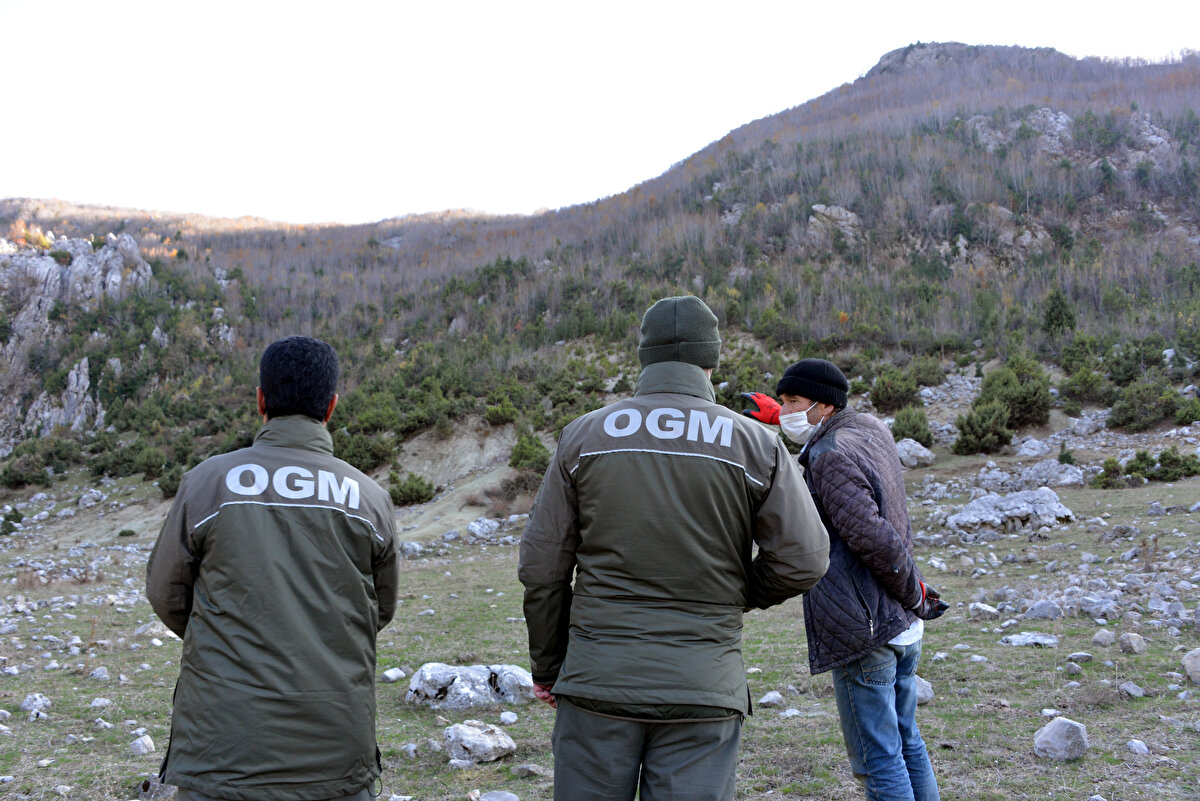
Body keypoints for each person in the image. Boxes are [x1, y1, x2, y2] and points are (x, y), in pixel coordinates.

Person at [519, 295, 830, 801]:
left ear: (646, 357)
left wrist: (550, 666)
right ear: (710, 362)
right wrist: (739, 593)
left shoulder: (584, 436)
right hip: (704, 684)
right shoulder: (756, 443)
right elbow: (805, 559)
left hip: (598, 679)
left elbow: (541, 567)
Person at [146, 335, 399, 801]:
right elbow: (378, 610)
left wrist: (226, 638)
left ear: (261, 400)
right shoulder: (369, 497)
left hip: (222, 752)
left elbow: (166, 593)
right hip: (336, 752)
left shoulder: (207, 483)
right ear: (331, 406)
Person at [742, 358, 948, 801]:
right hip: (900, 625)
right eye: (781, 403)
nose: (785, 410)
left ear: (825, 406)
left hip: (868, 627)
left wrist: (915, 594)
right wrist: (913, 601)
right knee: (907, 742)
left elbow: (873, 539)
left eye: (793, 402)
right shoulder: (870, 428)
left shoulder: (828, 455)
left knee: (878, 761)